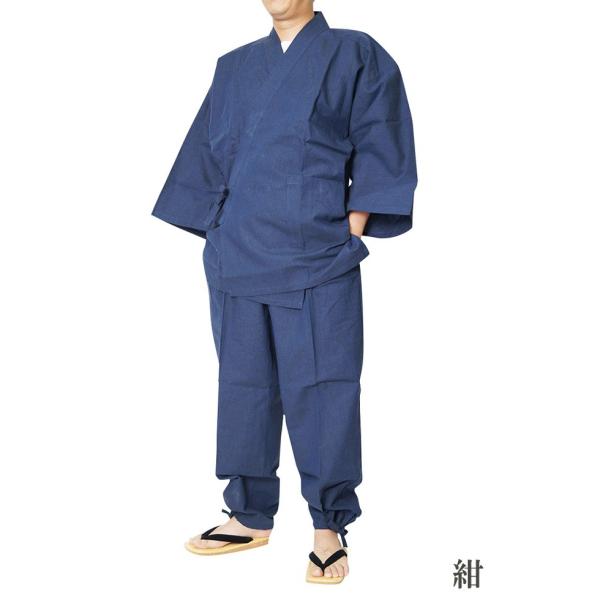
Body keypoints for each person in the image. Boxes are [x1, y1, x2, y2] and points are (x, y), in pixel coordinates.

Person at [151, 0, 417, 584]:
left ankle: (328, 526)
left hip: (316, 254)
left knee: (323, 388)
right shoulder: (234, 66)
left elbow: (381, 138)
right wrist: (218, 233)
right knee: (243, 387)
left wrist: (350, 229)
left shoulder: (355, 53)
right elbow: (207, 158)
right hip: (237, 255)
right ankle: (249, 514)